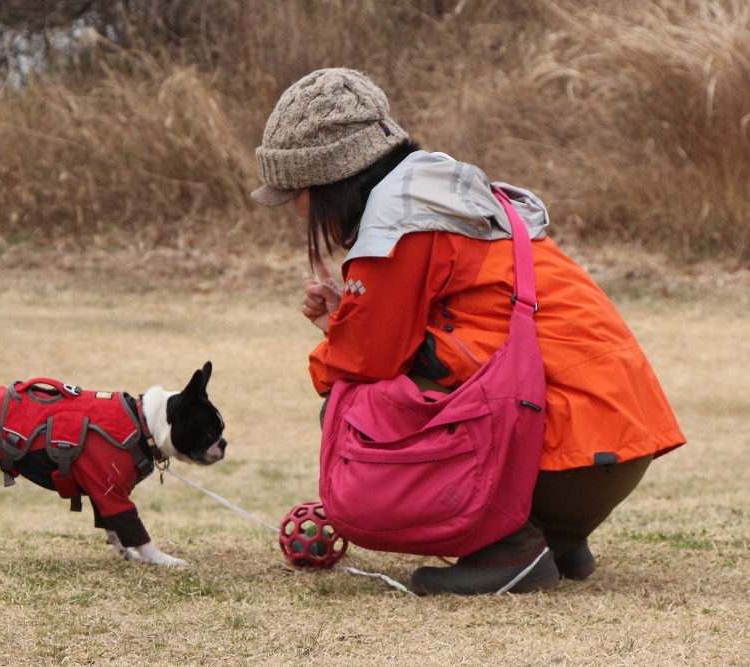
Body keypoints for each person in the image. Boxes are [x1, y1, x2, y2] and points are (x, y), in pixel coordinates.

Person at [249, 68, 686, 595]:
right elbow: (455, 333)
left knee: (351, 408)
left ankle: (512, 548)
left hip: (565, 453)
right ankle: (556, 540)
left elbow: (362, 364)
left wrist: (334, 340)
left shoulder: (397, 225)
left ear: (325, 179)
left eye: (291, 193)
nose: (294, 211)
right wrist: (348, 318)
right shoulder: (443, 195)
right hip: (607, 442)